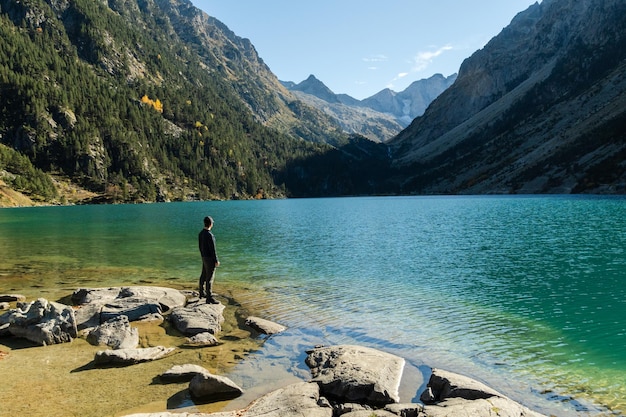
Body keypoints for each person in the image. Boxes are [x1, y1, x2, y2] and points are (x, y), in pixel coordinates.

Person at [198, 216, 220, 304]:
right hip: (210, 259)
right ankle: (209, 298)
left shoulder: (201, 234)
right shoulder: (210, 235)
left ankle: (201, 292)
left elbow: (200, 247)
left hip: (204, 257)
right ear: (210, 224)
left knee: (203, 275)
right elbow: (213, 249)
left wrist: (202, 256)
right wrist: (216, 260)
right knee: (210, 278)